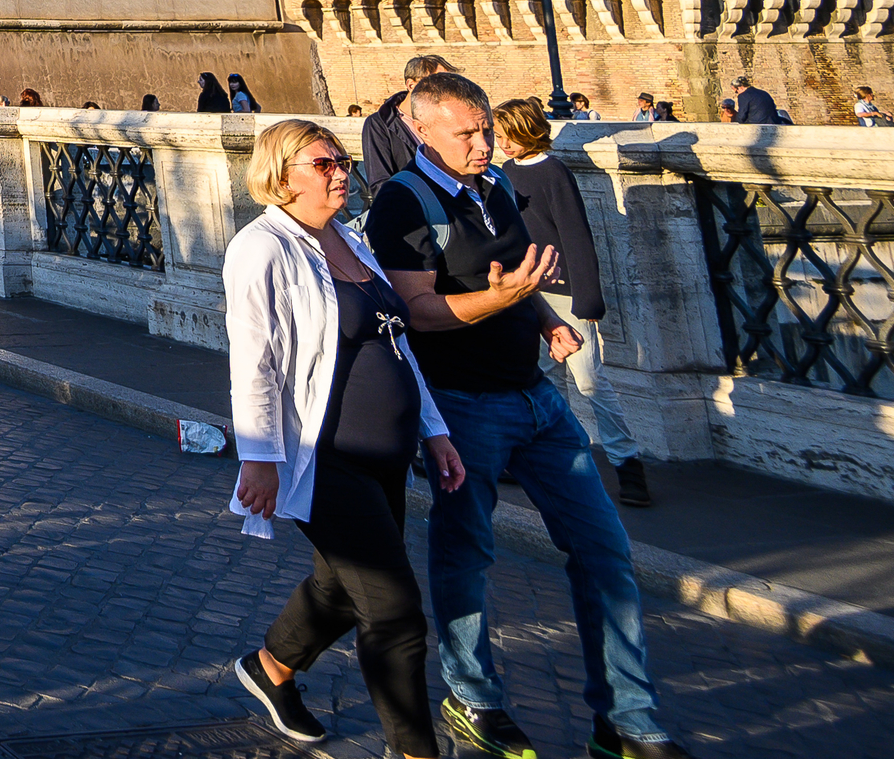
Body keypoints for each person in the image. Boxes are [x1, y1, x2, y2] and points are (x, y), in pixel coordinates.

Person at [372, 69, 688, 759]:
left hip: (537, 396)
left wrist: (545, 319)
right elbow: (418, 310)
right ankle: (472, 695)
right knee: (466, 552)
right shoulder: (401, 203)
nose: (484, 143)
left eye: (485, 127)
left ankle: (628, 721)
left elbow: (517, 272)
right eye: (467, 133)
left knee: (605, 549)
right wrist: (503, 299)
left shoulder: (493, 188)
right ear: (420, 131)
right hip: (461, 406)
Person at [223, 117, 464, 759]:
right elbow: (255, 358)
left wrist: (435, 431)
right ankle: (413, 750)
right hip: (326, 456)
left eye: (342, 163)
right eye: (324, 165)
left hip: (388, 457)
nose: (341, 175)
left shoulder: (349, 238)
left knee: (339, 584)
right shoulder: (263, 247)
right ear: (280, 177)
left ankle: (270, 668)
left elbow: (398, 343)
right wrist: (259, 456)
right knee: (393, 610)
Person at [494, 96, 650, 506]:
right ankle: (555, 460)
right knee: (543, 381)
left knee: (589, 379)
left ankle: (627, 462)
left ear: (527, 132)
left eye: (508, 135)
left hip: (564, 293)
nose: (502, 144)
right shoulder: (502, 174)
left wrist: (587, 299)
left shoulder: (553, 173)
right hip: (527, 293)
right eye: (499, 136)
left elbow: (577, 236)